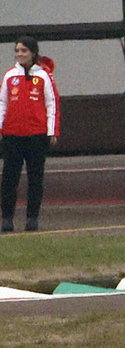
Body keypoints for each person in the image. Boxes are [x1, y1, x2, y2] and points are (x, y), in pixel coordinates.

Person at [0, 37, 58, 233]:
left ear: (33, 53)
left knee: (35, 178)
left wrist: (52, 131)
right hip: (12, 135)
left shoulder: (44, 76)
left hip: (37, 135)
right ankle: (7, 219)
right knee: (9, 178)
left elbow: (52, 103)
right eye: (17, 50)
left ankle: (32, 218)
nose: (19, 54)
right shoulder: (9, 75)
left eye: (24, 50)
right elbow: (2, 104)